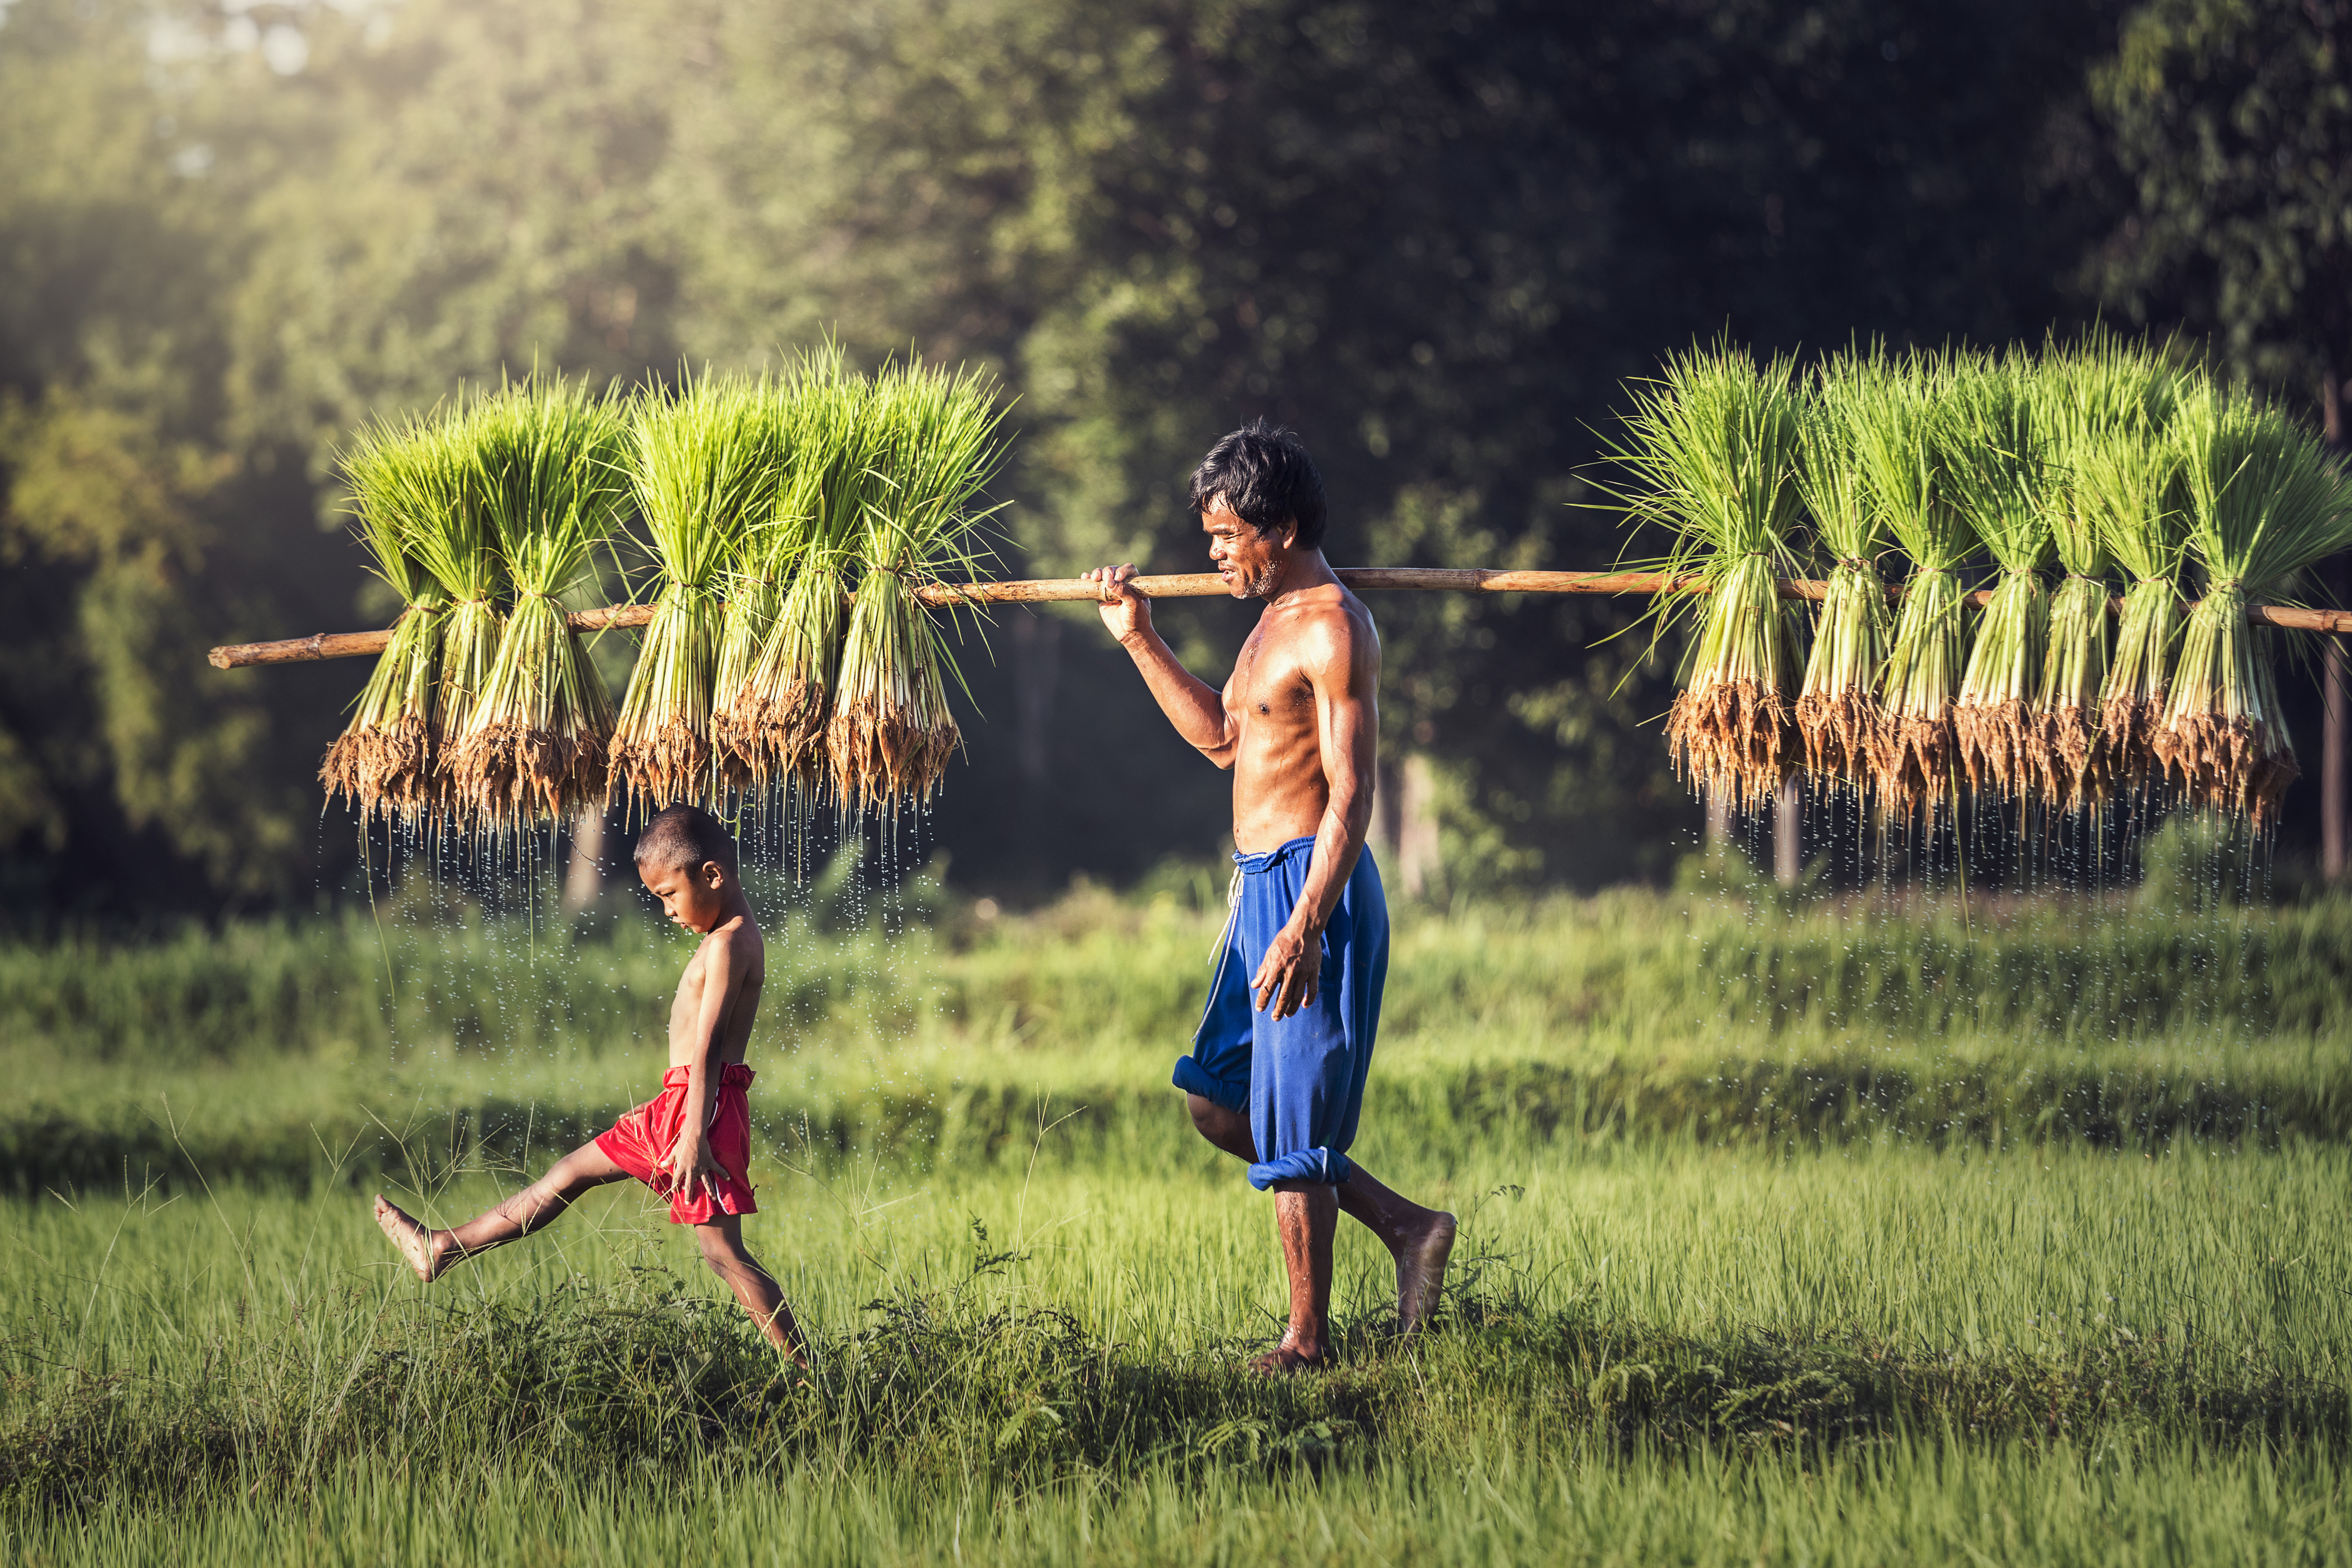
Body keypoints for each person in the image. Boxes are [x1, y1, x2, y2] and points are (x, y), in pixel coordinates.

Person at [1083, 419, 1455, 1374]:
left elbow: (1353, 792)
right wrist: (1139, 638)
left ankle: (1307, 1343)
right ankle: (1408, 1227)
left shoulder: (1332, 626)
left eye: (1226, 536)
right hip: (1257, 890)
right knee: (1217, 1101)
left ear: (1280, 529)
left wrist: (1306, 922)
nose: (1213, 554)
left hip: (1310, 886)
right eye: (1210, 537)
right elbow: (1222, 738)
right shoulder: (1268, 622)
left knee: (1295, 1123)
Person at [371, 805, 806, 1365]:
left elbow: (707, 1049)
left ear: (713, 875)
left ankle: (805, 1373)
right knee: (574, 1176)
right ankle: (443, 1247)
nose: (668, 910)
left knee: (722, 1252)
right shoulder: (731, 936)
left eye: (670, 894)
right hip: (688, 1104)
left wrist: (693, 1133)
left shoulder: (728, 944)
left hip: (699, 1110)